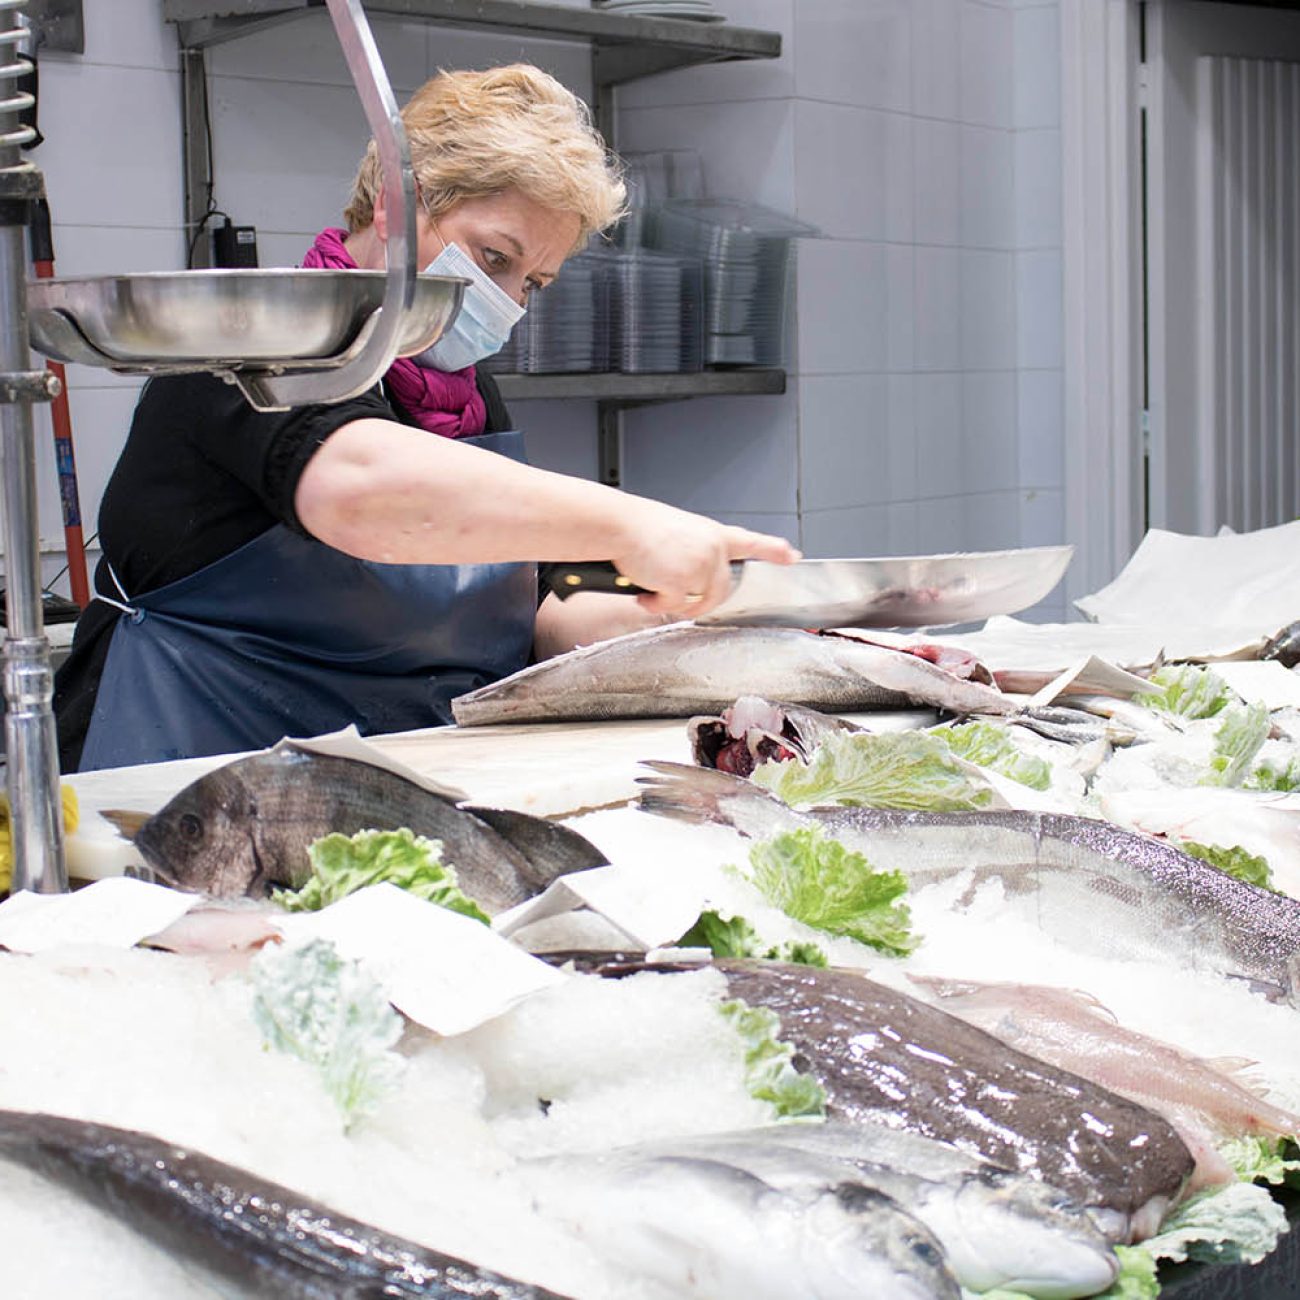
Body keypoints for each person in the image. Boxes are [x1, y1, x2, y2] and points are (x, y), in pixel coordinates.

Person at [54, 64, 797, 772]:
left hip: (379, 785)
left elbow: (525, 600)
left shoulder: (460, 392)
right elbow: (360, 488)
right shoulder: (250, 346)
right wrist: (632, 526)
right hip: (184, 781)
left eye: (533, 282)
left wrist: (652, 614)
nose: (507, 301)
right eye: (495, 257)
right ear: (399, 208)